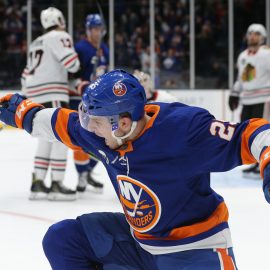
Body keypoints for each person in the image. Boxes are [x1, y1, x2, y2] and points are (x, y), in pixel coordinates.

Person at [2, 69, 270, 269]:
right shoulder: (103, 134)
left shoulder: (183, 131)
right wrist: (20, 111)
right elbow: (59, 122)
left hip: (196, 250)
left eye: (95, 121)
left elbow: (249, 133)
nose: (89, 128)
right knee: (63, 238)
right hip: (140, 246)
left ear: (124, 122)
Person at [21, 7, 80, 200]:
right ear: (60, 19)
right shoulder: (59, 36)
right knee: (60, 135)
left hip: (33, 94)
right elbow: (73, 63)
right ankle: (57, 183)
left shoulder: (36, 42)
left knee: (44, 137)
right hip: (53, 90)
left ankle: (38, 183)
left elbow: (26, 73)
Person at [69, 13, 109, 193]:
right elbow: (70, 74)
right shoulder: (80, 48)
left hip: (98, 101)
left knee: (103, 137)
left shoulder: (104, 49)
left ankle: (89, 171)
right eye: (94, 29)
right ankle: (82, 175)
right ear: (88, 30)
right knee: (81, 137)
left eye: (99, 29)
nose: (97, 32)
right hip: (79, 99)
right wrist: (81, 85)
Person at [228, 23, 269, 179]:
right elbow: (241, 78)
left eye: (257, 33)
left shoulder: (266, 54)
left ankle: (264, 164)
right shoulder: (243, 56)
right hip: (247, 99)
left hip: (264, 99)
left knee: (264, 132)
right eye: (250, 33)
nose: (253, 36)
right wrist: (235, 92)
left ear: (262, 37)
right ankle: (255, 162)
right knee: (249, 132)